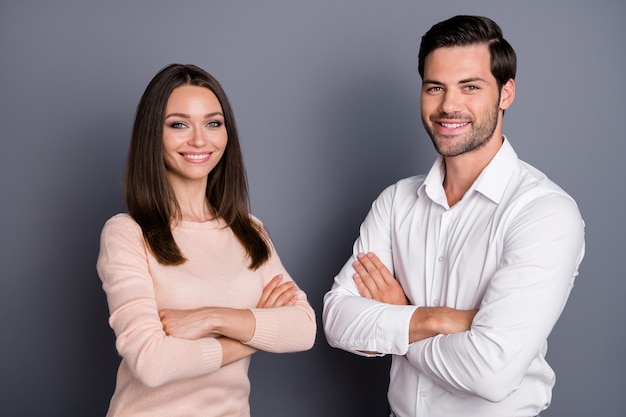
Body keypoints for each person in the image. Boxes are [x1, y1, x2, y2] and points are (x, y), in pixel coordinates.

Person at [323, 15, 585, 417]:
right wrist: (440, 319)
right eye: (435, 88)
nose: (449, 105)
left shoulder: (544, 212)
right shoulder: (395, 202)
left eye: (470, 87)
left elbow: (490, 372)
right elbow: (338, 320)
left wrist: (398, 317)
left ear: (506, 93)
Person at [96, 63, 316, 417]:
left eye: (213, 123)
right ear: (153, 134)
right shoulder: (127, 233)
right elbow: (152, 363)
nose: (200, 140)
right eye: (178, 124)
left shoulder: (250, 230)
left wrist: (212, 317)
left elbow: (303, 329)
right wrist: (256, 329)